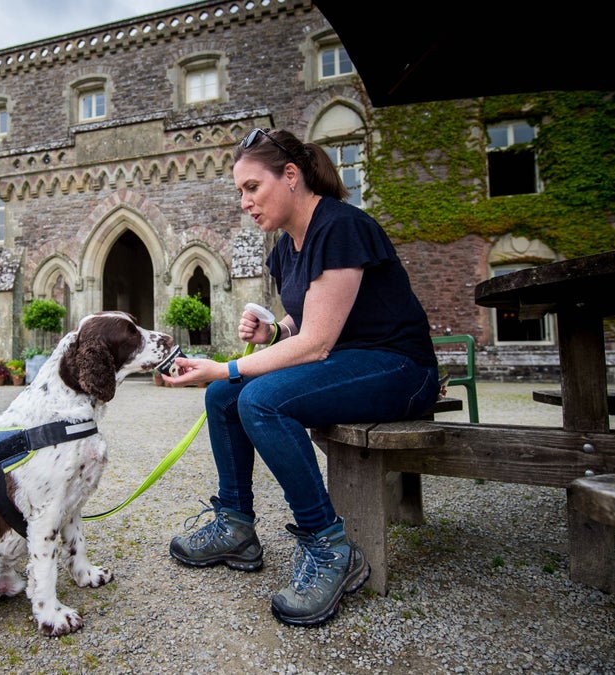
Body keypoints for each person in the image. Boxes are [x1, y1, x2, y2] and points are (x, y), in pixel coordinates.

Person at [162, 128, 440, 627]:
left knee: (257, 399)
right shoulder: (284, 249)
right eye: (239, 192)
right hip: (346, 363)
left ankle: (331, 548)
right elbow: (304, 323)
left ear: (290, 176)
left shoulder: (340, 226)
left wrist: (225, 365)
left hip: (399, 368)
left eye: (252, 187)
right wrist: (272, 328)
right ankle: (236, 525)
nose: (244, 201)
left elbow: (316, 342)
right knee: (227, 396)